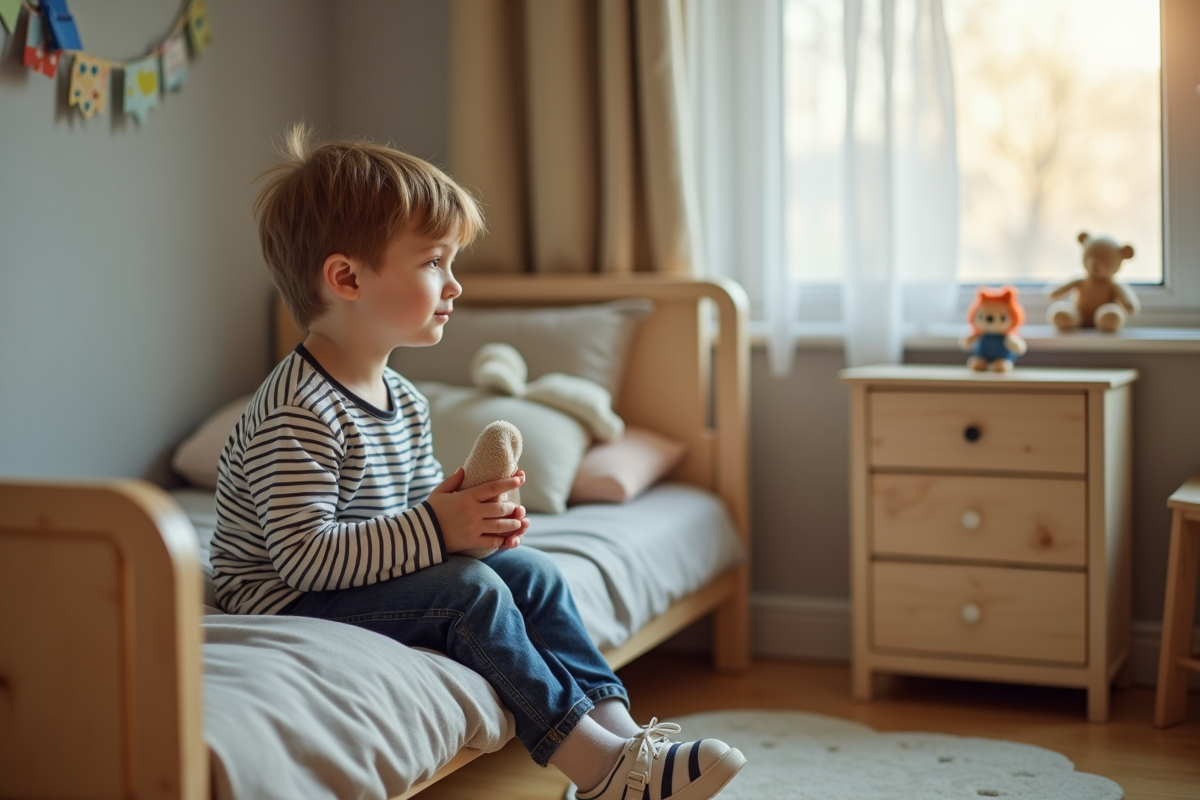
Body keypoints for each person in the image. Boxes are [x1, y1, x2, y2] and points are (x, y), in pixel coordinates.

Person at [209, 123, 746, 800]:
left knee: (532, 573)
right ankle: (592, 767)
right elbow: (304, 559)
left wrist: (467, 517)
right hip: (287, 599)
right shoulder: (299, 409)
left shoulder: (402, 397)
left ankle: (621, 740)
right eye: (434, 262)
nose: (455, 285)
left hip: (352, 574)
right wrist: (437, 533)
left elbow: (403, 512)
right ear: (346, 277)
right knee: (470, 595)